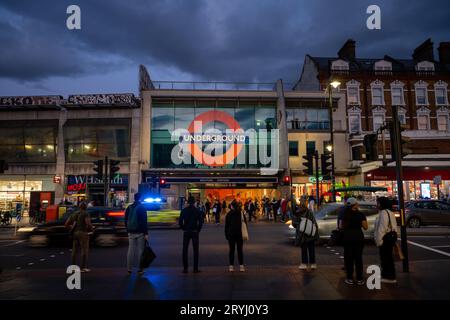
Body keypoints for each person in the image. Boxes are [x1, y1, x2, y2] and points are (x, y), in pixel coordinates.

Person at [339, 198, 368, 285]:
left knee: (348, 259)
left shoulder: (344, 214)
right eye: (357, 203)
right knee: (358, 258)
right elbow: (365, 227)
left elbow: (340, 226)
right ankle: (359, 278)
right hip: (358, 238)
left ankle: (349, 278)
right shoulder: (360, 214)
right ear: (354, 205)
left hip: (347, 238)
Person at [374, 196, 398, 284]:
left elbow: (382, 228)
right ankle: (390, 275)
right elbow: (394, 226)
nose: (377, 205)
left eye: (378, 203)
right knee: (389, 257)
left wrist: (379, 241)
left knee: (385, 258)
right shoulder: (390, 212)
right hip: (390, 237)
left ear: (382, 204)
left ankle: (389, 277)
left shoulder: (383, 213)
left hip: (385, 238)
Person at [65, 202, 93, 272]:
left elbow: (66, 224)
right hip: (83, 233)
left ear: (79, 207)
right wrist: (92, 229)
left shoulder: (74, 214)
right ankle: (83, 268)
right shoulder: (85, 213)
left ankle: (73, 267)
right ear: (85, 207)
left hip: (75, 233)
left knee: (74, 251)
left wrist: (72, 228)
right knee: (84, 250)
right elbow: (88, 223)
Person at [124, 193, 148, 275]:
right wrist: (146, 233)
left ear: (134, 198)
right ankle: (140, 269)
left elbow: (125, 219)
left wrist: (127, 229)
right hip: (140, 232)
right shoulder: (142, 208)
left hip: (130, 231)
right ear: (140, 198)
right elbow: (144, 222)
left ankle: (129, 269)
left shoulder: (129, 207)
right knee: (141, 251)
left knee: (130, 250)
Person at [179, 196, 204, 273]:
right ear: (194, 202)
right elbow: (201, 222)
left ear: (188, 202)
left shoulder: (184, 210)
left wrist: (184, 228)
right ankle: (195, 268)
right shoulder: (197, 211)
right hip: (194, 231)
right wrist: (198, 230)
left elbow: (180, 222)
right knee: (195, 250)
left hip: (186, 232)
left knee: (185, 249)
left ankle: (185, 268)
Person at [293, 202, 319, 270]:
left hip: (302, 235)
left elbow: (294, 224)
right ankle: (313, 264)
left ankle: (304, 264)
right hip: (310, 234)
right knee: (311, 249)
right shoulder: (309, 213)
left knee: (304, 249)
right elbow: (314, 222)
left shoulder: (298, 214)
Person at [225, 200, 247, 272]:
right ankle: (241, 266)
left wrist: (226, 235)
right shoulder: (241, 213)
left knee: (231, 250)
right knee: (240, 250)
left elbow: (226, 226)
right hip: (239, 234)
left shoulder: (228, 214)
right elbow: (245, 223)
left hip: (231, 235)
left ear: (231, 206)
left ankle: (231, 266)